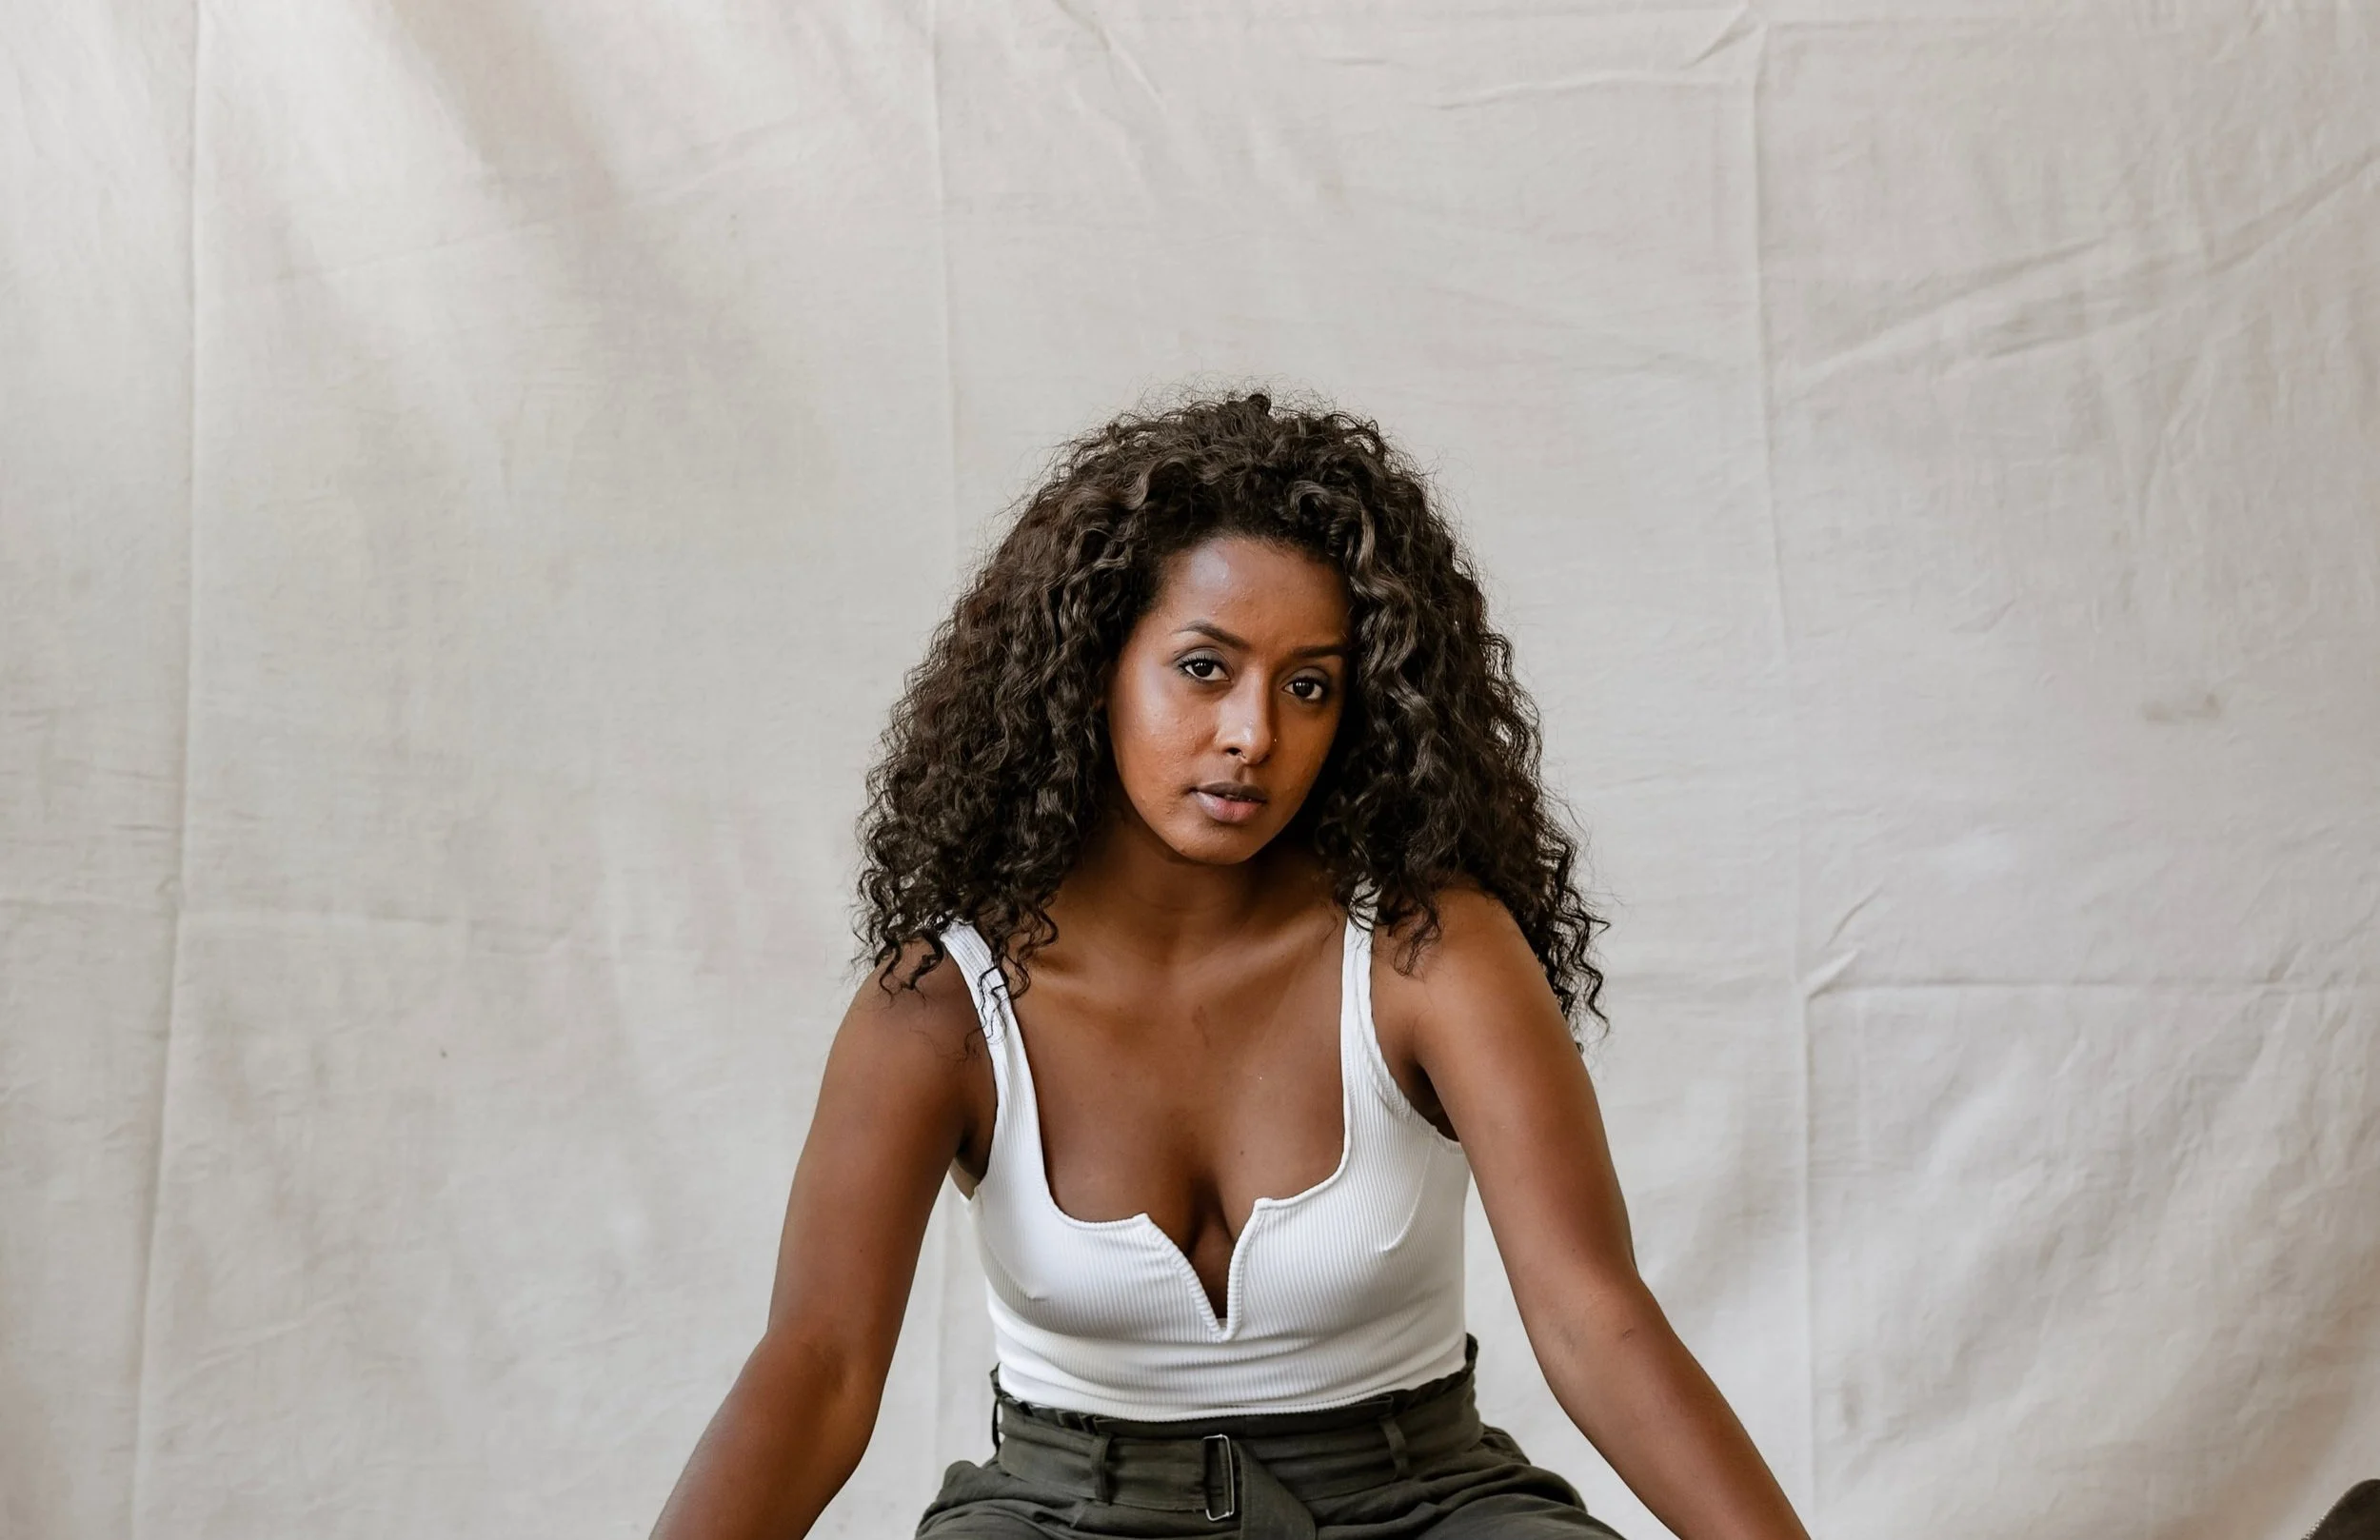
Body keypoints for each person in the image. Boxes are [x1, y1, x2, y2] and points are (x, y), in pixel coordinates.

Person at [649, 391, 1811, 1540]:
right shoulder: (945, 1006)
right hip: (1064, 1513)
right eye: (1204, 669)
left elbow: (1590, 1319)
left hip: (1420, 1501)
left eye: (1309, 685)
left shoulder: (1426, 954)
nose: (1255, 732)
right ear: (1091, 666)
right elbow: (820, 1368)